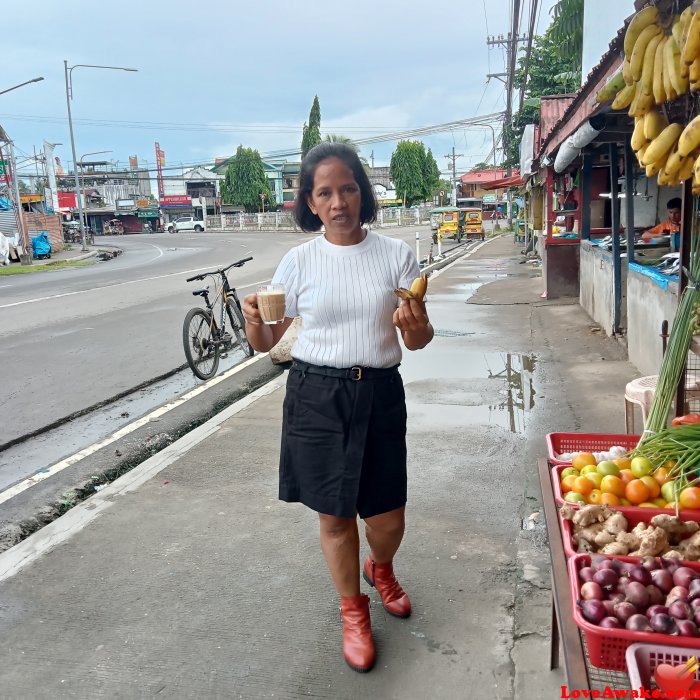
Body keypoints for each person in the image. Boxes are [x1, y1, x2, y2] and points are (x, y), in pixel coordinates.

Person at [242, 142, 433, 673]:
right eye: (324, 192)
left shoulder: (397, 254)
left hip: (378, 392)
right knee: (335, 515)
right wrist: (253, 318)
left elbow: (416, 339)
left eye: (348, 187)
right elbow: (266, 341)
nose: (338, 201)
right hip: (316, 395)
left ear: (362, 192)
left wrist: (417, 327)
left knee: (387, 514)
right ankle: (353, 611)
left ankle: (383, 567)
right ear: (310, 200)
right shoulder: (298, 261)